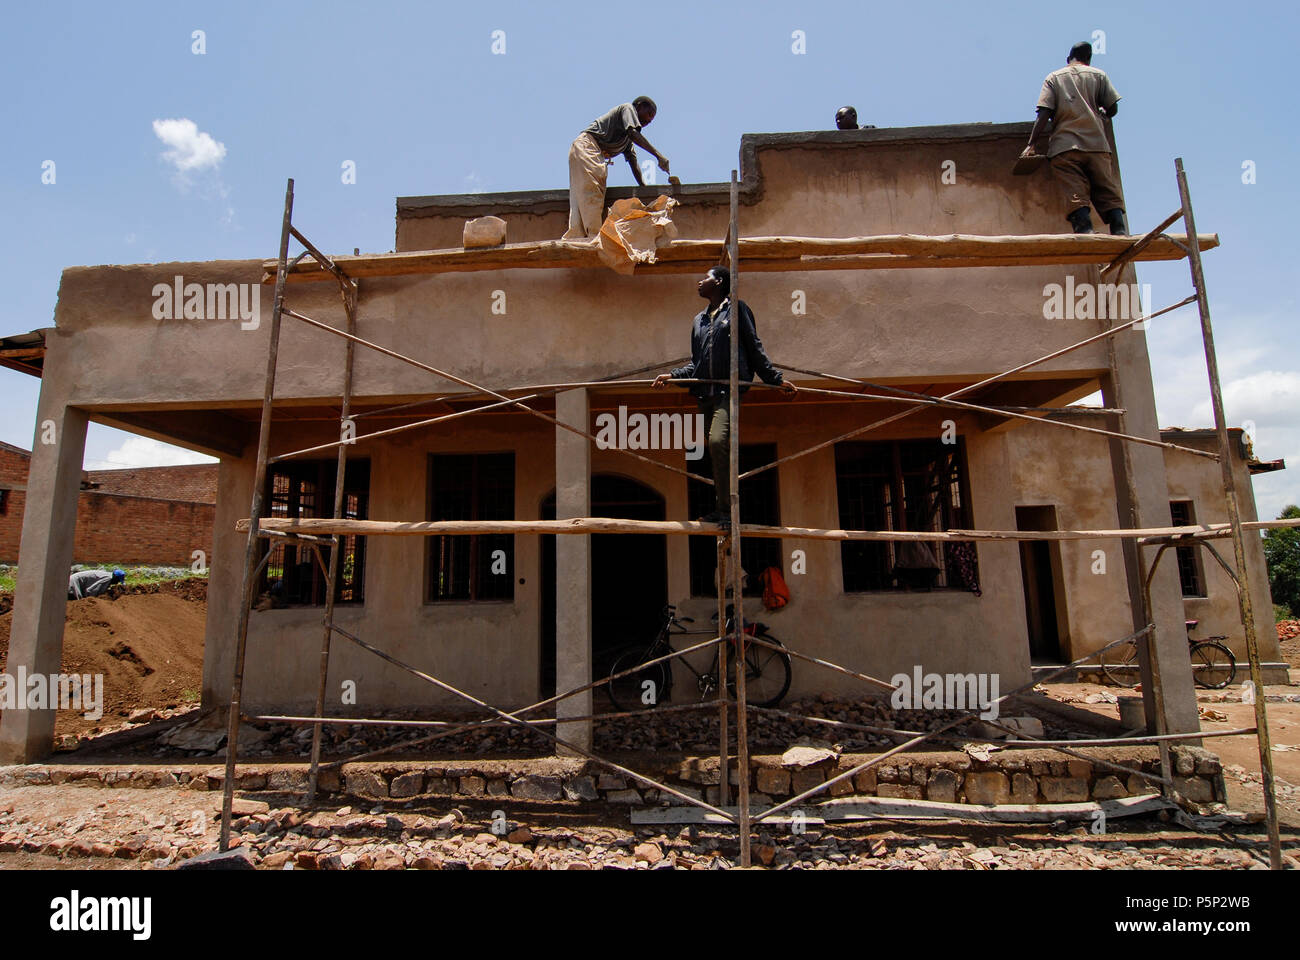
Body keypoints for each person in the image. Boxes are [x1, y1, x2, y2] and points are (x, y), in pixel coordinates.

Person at [653, 267, 796, 524]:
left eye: (705, 278)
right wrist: (672, 376)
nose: (699, 281)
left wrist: (775, 380)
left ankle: (728, 511)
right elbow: (696, 365)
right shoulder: (699, 320)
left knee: (718, 441)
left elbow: (754, 347)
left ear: (718, 281)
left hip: (727, 392)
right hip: (705, 396)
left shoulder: (737, 309)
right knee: (715, 449)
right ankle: (722, 509)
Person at [1021, 41, 1128, 235]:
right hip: (1097, 145)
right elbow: (1112, 108)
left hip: (1066, 146)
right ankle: (1119, 230)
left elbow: (1044, 113)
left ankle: (1085, 231)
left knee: (1074, 191)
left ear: (1068, 58)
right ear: (1088, 59)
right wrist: (1102, 112)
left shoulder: (1054, 78)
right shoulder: (1099, 75)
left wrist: (1032, 144)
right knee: (1107, 189)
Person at [562, 97, 670, 240]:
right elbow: (633, 133)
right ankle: (593, 236)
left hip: (587, 150)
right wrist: (658, 156)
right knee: (591, 192)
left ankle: (577, 235)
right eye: (649, 114)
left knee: (582, 193)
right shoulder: (628, 109)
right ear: (639, 106)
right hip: (587, 146)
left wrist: (644, 187)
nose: (649, 121)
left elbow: (633, 163)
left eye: (652, 119)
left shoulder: (626, 138)